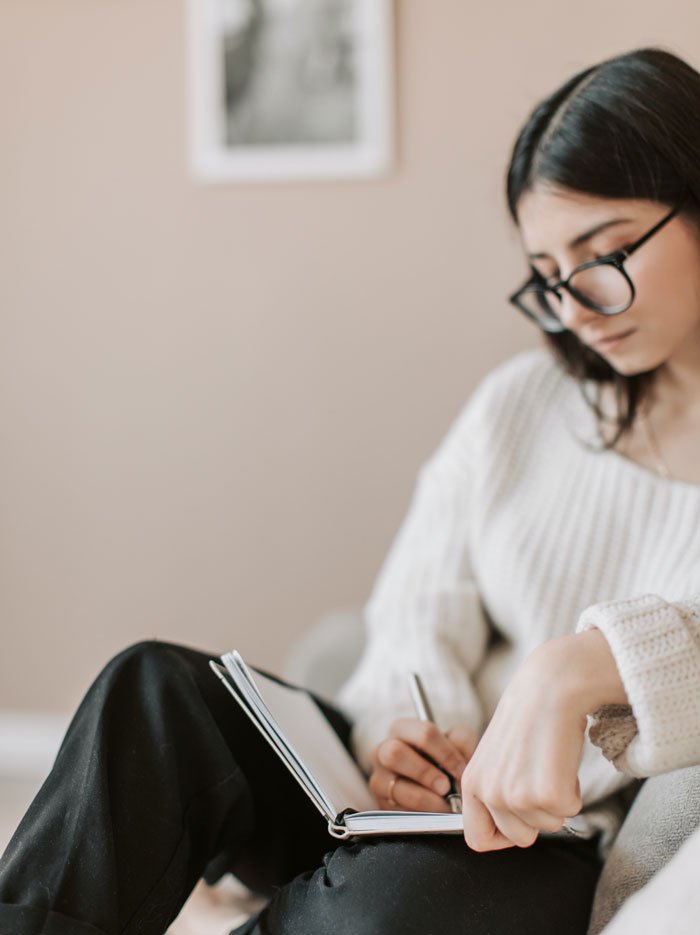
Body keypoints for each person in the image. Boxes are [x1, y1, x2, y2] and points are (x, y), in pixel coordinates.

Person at [3, 45, 700, 935]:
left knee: (389, 902)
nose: (577, 307)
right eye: (550, 274)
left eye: (605, 253)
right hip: (399, 796)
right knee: (152, 689)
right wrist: (401, 733)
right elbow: (414, 604)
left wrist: (578, 666)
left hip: (544, 846)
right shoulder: (521, 405)